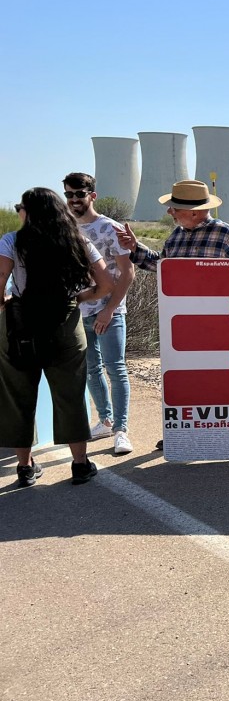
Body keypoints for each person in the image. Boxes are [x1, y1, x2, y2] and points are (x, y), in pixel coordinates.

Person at [116, 179, 229, 451]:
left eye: (174, 209)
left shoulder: (224, 233)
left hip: (219, 325)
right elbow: (163, 266)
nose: (169, 213)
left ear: (195, 212)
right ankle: (182, 431)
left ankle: (227, 434)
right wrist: (135, 249)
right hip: (185, 325)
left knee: (219, 380)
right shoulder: (176, 236)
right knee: (188, 379)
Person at [2, 188, 114, 486]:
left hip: (21, 324)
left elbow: (0, 284)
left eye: (19, 207)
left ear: (29, 211)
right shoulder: (78, 240)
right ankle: (80, 464)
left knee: (18, 396)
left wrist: (8, 306)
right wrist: (79, 297)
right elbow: (105, 284)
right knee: (71, 394)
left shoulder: (11, 241)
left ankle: (25, 468)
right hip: (64, 324)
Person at [63, 172, 135, 455]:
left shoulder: (110, 228)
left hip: (109, 312)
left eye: (79, 194)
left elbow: (127, 273)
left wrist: (109, 309)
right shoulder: (66, 228)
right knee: (92, 370)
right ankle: (104, 420)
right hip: (79, 312)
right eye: (69, 195)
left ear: (92, 196)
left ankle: (121, 429)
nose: (73, 200)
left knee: (116, 369)